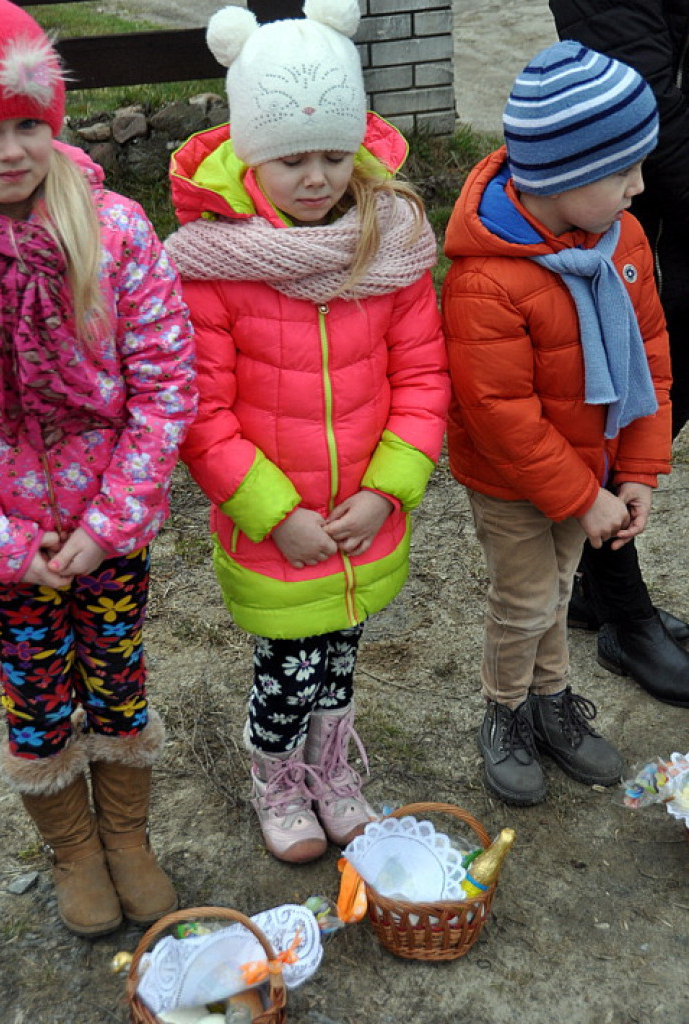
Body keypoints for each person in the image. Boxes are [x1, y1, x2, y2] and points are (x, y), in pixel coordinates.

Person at [0, 0, 197, 936]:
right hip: (4, 546)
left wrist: (109, 523)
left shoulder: (116, 232)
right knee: (36, 691)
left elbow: (165, 385)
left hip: (105, 529)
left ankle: (127, 836)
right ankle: (73, 846)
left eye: (28, 125)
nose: (10, 150)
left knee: (117, 677)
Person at [165, 0, 450, 862]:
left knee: (340, 655)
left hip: (362, 514)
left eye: (335, 153)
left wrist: (386, 490)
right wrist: (269, 510)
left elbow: (422, 377)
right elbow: (200, 411)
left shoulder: (388, 246)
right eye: (293, 159)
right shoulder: (215, 266)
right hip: (278, 522)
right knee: (288, 664)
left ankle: (333, 770)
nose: (319, 177)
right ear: (252, 152)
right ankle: (277, 777)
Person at [441, 41, 673, 805]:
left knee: (560, 585)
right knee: (528, 599)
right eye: (623, 172)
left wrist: (635, 470)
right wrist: (584, 496)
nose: (639, 188)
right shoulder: (488, 279)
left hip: (593, 467)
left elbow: (649, 356)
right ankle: (504, 713)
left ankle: (552, 704)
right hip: (514, 482)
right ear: (563, 176)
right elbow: (501, 415)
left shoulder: (620, 240)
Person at [548, 0, 689, 707]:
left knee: (656, 388)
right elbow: (637, 82)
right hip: (668, 210)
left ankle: (598, 586)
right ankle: (618, 606)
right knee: (619, 395)